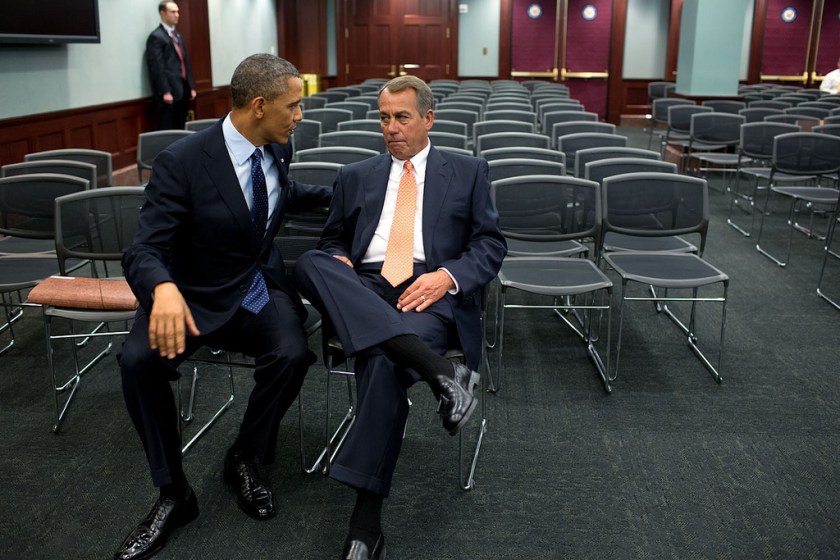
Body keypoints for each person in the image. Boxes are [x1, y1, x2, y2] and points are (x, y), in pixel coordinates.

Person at [114, 54, 331, 560]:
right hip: (187, 295)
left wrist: (349, 192)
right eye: (293, 106)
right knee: (138, 363)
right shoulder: (184, 161)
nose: (300, 115)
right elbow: (143, 249)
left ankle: (246, 456)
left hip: (253, 286)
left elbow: (279, 193)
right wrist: (163, 290)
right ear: (259, 106)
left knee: (292, 354)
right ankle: (173, 494)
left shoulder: (277, 145)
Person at [293, 75, 506, 559]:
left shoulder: (469, 171)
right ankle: (443, 373)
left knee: (382, 360)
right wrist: (339, 259)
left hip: (426, 291)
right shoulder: (355, 175)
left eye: (402, 117)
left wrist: (447, 276)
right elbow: (331, 242)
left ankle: (365, 524)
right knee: (308, 264)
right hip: (364, 284)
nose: (391, 128)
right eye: (384, 118)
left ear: (428, 119)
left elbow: (491, 245)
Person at [145, 1, 197, 129]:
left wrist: (191, 86)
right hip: (169, 93)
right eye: (173, 12)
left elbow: (184, 62)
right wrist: (165, 91)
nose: (177, 15)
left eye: (177, 11)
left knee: (181, 126)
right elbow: (157, 67)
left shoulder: (177, 36)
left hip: (183, 90)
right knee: (169, 128)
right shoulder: (156, 37)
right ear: (162, 13)